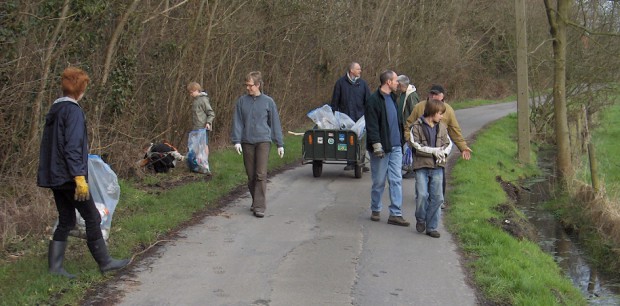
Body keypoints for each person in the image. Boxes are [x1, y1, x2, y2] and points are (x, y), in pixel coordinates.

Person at [37, 67, 129, 278]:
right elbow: (73, 147)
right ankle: (105, 262)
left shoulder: (55, 110)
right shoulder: (73, 111)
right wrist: (79, 177)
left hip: (55, 176)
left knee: (67, 220)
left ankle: (55, 269)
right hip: (70, 177)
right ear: (80, 89)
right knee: (92, 216)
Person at [231, 71, 284, 218]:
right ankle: (256, 201)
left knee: (261, 174)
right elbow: (237, 122)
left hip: (263, 141)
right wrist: (236, 140)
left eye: (250, 85)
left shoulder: (268, 102)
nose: (247, 88)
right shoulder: (241, 101)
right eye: (246, 85)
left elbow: (275, 123)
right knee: (251, 175)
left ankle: (260, 206)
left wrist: (280, 143)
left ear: (258, 85)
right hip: (247, 141)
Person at [365, 70, 410, 227]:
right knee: (379, 181)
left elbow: (397, 121)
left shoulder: (393, 98)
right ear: (388, 82)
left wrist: (403, 139)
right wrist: (376, 145)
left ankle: (395, 213)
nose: (398, 83)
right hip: (381, 148)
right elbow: (371, 125)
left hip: (396, 147)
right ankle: (376, 208)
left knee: (396, 180)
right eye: (396, 80)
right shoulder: (373, 100)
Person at [409, 99, 452, 238]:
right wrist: (433, 151)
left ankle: (432, 227)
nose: (442, 116)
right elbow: (415, 145)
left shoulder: (443, 127)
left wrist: (443, 152)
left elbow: (448, 143)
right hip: (421, 165)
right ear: (433, 112)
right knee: (422, 195)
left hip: (438, 166)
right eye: (440, 113)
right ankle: (421, 219)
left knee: (438, 198)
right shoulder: (416, 126)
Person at [331, 62, 371, 171]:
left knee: (361, 140)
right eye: (358, 69)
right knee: (348, 140)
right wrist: (334, 116)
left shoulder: (363, 84)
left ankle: (360, 162)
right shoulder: (340, 83)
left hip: (360, 117)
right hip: (346, 117)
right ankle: (350, 162)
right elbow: (335, 101)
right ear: (352, 70)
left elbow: (368, 101)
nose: (360, 71)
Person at [187, 82, 215, 175]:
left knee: (204, 145)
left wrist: (208, 122)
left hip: (202, 127)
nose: (190, 95)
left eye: (191, 92)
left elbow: (211, 113)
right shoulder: (195, 100)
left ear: (196, 90)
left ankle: (205, 165)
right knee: (196, 147)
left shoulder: (203, 100)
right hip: (196, 127)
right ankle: (198, 165)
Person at [396, 75, 420, 179]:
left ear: (401, 84)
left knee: (411, 148)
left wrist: (412, 128)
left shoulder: (411, 96)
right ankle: (407, 166)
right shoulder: (402, 94)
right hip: (402, 126)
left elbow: (415, 113)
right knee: (405, 148)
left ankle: (413, 169)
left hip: (410, 127)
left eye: (398, 84)